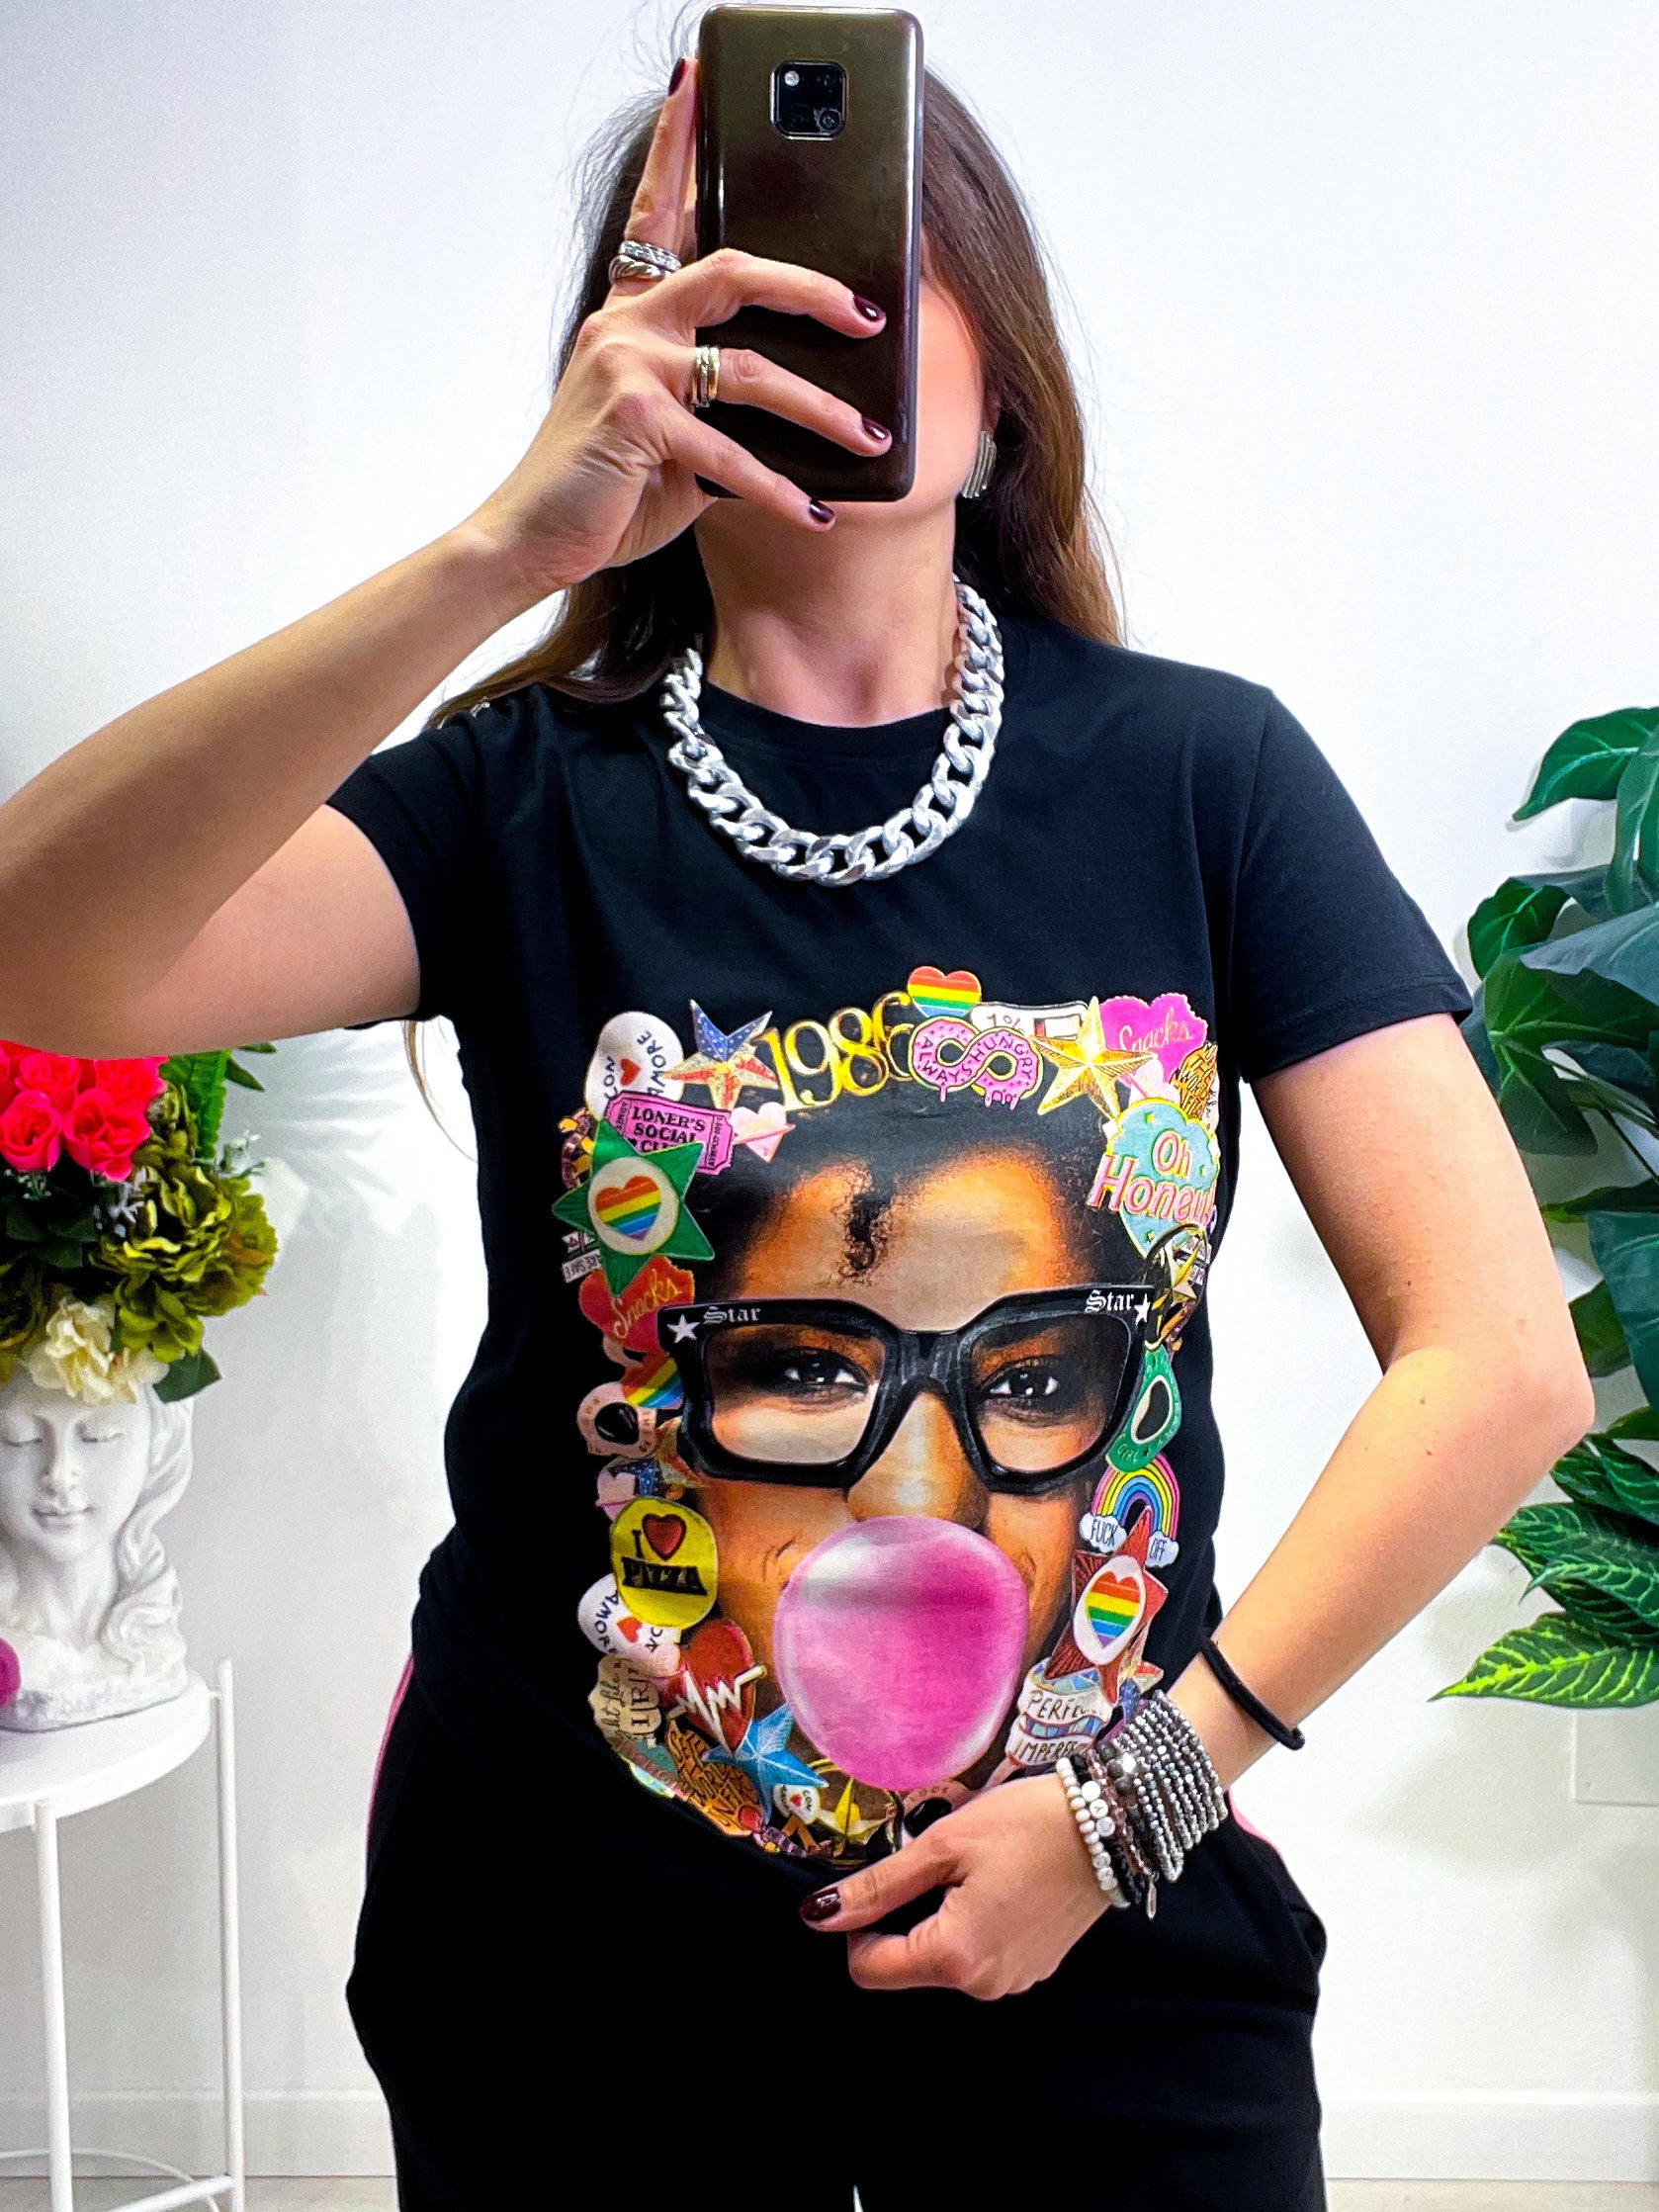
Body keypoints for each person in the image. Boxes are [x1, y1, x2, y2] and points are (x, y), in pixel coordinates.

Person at [0, 47, 1594, 2212]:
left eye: (881, 263)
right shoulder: (508, 797)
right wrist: (505, 546)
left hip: (1101, 1907)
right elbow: (41, 961)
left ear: (1001, 378)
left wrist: (1134, 1794)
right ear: (639, 350)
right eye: (746, 272)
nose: (825, 314)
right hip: (560, 1938)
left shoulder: (1203, 781)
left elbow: (1494, 1361)